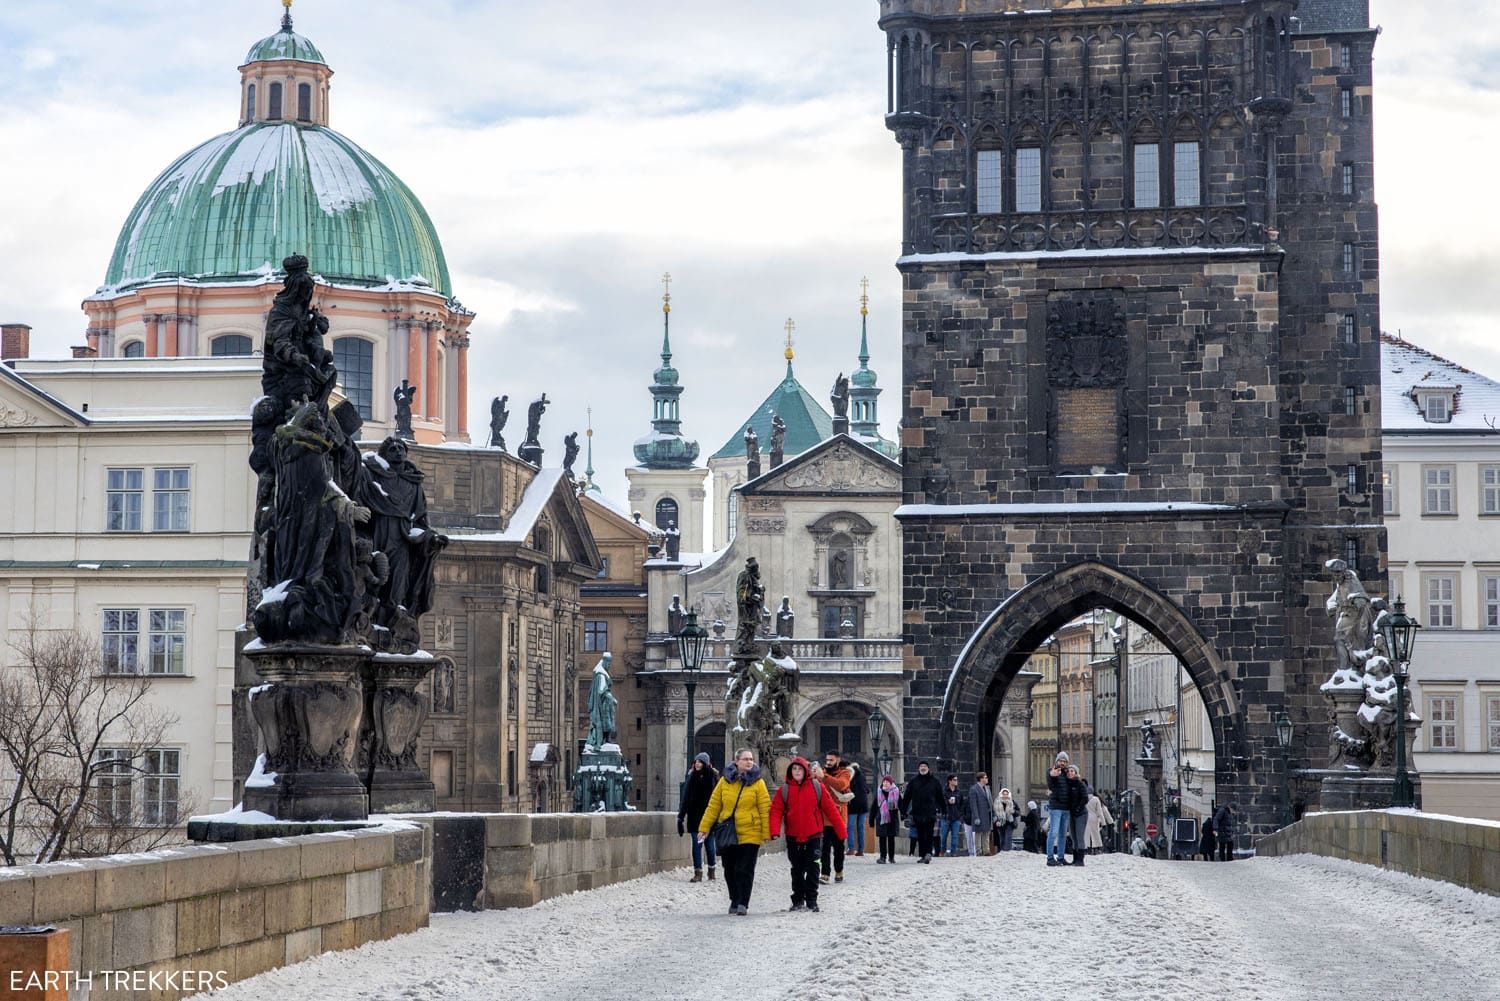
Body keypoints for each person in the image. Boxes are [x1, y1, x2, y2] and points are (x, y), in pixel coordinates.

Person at [697, 748, 771, 915]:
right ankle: (734, 899)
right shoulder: (724, 781)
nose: (749, 762)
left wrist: (766, 833)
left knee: (745, 869)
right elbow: (714, 806)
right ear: (736, 761)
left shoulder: (758, 783)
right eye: (745, 759)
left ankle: (743, 902)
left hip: (750, 832)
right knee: (729, 868)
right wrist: (704, 828)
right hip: (729, 832)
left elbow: (765, 808)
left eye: (751, 759)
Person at [769, 756, 846, 912]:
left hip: (814, 835)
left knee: (813, 868)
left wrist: (841, 830)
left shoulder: (817, 787)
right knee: (796, 869)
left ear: (805, 771)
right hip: (793, 836)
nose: (797, 772)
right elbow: (776, 811)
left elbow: (830, 809)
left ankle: (811, 899)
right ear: (791, 772)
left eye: (799, 769)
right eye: (794, 769)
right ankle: (797, 899)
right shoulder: (784, 790)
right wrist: (775, 830)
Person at [812, 751, 854, 883]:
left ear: (838, 760)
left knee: (838, 847)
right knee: (824, 846)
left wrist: (823, 776)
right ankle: (825, 873)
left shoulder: (845, 773)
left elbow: (841, 784)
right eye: (827, 759)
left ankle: (839, 870)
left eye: (831, 760)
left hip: (839, 815)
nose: (828, 762)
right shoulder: (823, 773)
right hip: (824, 816)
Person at [677, 752, 719, 882]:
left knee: (710, 847)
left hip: (709, 817)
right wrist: (681, 817)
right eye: (696, 762)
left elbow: (718, 799)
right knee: (697, 846)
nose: (697, 764)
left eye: (700, 762)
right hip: (695, 818)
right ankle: (698, 872)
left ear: (705, 764)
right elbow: (685, 798)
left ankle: (712, 870)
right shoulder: (692, 777)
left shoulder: (713, 777)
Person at [900, 761, 944, 863]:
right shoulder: (914, 781)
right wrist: (903, 810)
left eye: (924, 766)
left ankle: (928, 853)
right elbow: (907, 797)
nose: (923, 768)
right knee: (920, 835)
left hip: (930, 812)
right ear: (918, 768)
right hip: (918, 812)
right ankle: (923, 855)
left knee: (929, 833)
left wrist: (943, 809)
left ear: (928, 768)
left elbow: (940, 797)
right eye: (921, 766)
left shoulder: (934, 781)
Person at [1044, 752, 1075, 866]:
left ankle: (1061, 857)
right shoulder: (1051, 771)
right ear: (1057, 761)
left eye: (1064, 761)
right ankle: (1050, 858)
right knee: (1053, 832)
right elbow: (1050, 779)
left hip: (1066, 808)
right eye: (1060, 761)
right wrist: (1053, 774)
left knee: (1063, 834)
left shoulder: (1067, 773)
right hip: (1056, 807)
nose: (1062, 763)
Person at [872, 774, 902, 863]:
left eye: (887, 782)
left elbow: (901, 804)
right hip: (881, 819)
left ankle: (891, 857)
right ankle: (883, 857)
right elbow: (874, 806)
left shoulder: (896, 792)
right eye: (884, 781)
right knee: (882, 838)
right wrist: (871, 818)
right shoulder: (879, 792)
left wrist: (904, 814)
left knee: (891, 839)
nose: (885, 783)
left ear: (891, 783)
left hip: (892, 819)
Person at [1066, 765, 1090, 867]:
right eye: (1069, 771)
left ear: (1076, 773)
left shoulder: (1080, 784)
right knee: (1073, 836)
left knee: (1080, 836)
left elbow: (1085, 798)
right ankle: (1075, 859)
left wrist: (1078, 808)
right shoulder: (1067, 784)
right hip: (1072, 814)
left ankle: (1080, 860)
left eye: (1072, 771)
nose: (1070, 773)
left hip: (1081, 814)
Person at [939, 774, 967, 858]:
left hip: (956, 817)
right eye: (954, 780)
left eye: (956, 780)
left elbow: (962, 804)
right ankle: (942, 851)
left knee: (955, 837)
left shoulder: (959, 792)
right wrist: (948, 802)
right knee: (943, 836)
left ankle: (953, 852)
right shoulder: (944, 791)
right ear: (950, 781)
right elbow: (940, 803)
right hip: (946, 817)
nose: (956, 781)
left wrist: (960, 815)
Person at [967, 772, 995, 856]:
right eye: (985, 777)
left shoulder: (987, 788)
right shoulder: (974, 789)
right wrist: (976, 817)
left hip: (987, 814)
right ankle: (979, 851)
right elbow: (973, 804)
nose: (987, 779)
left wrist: (993, 813)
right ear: (981, 779)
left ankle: (986, 850)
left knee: (986, 832)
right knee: (978, 833)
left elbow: (990, 801)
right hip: (979, 814)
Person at [846, 760, 870, 858]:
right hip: (863, 805)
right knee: (861, 828)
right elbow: (867, 790)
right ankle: (860, 850)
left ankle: (851, 848)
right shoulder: (863, 777)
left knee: (850, 827)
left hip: (853, 805)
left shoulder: (850, 777)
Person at [1084, 788, 1113, 855]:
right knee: (1095, 834)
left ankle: (1087, 848)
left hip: (1085, 817)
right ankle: (1096, 847)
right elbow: (1101, 812)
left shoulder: (1083, 798)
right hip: (1095, 818)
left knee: (1086, 834)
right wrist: (1104, 823)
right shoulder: (1096, 799)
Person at [994, 787, 1021, 852]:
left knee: (1008, 838)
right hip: (1001, 823)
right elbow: (994, 813)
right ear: (1001, 794)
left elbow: (1018, 812)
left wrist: (1014, 812)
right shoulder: (997, 802)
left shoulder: (1012, 802)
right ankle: (1002, 851)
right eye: (1004, 794)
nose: (1005, 795)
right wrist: (996, 821)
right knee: (1002, 838)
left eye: (1006, 794)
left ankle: (1007, 852)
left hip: (1010, 823)